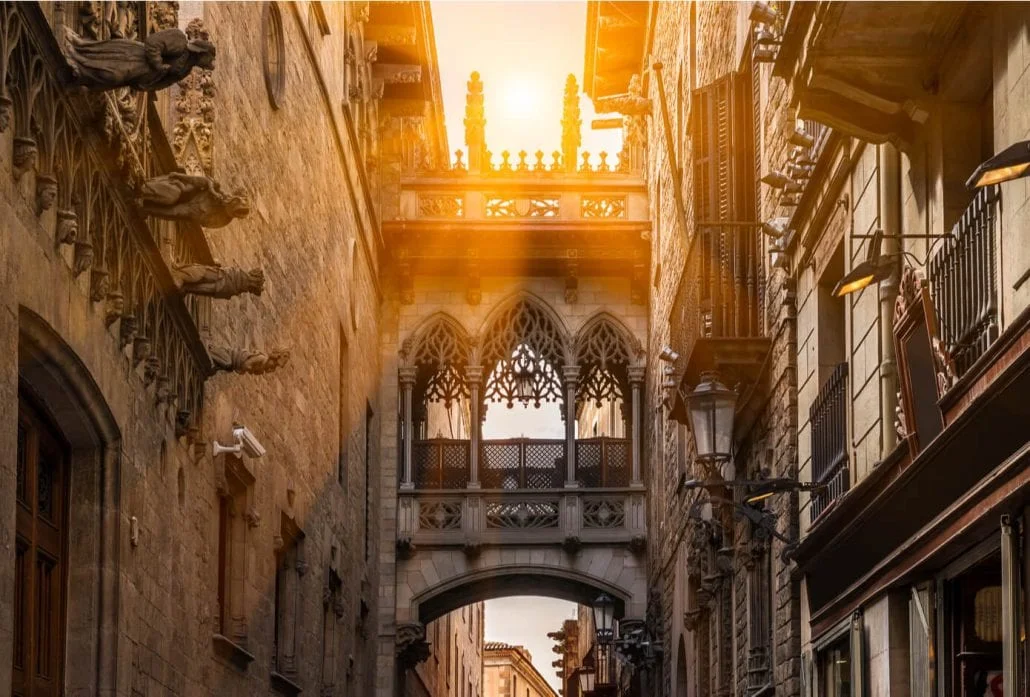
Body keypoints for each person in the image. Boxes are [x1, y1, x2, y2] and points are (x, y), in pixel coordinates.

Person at [65, 27, 215, 92]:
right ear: (201, 53)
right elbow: (153, 43)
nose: (204, 67)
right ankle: (76, 57)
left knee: (110, 80)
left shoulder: (186, 70)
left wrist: (147, 86)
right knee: (112, 74)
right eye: (206, 62)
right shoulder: (180, 41)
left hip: (141, 76)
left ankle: (79, 77)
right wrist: (158, 64)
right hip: (134, 58)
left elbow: (167, 81)